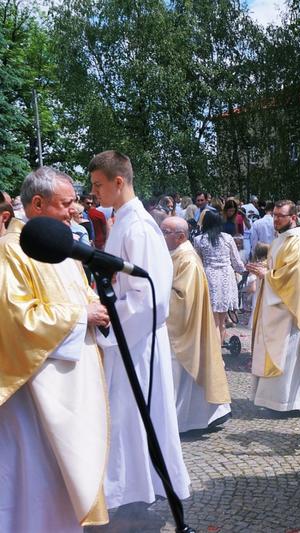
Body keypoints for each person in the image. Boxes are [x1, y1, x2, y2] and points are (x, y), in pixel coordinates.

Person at [0, 167, 110, 532]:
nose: (74, 210)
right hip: (32, 390)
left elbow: (78, 292)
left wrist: (93, 305)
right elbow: (17, 319)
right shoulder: (9, 252)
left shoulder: (58, 245)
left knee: (58, 479)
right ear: (37, 203)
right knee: (35, 477)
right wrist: (82, 315)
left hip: (67, 382)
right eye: (65, 204)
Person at [88, 149, 191, 508]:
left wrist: (106, 322)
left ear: (119, 182)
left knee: (138, 413)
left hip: (137, 340)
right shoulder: (124, 221)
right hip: (128, 337)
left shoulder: (139, 227)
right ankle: (132, 486)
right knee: (127, 415)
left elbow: (150, 297)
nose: (95, 192)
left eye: (99, 185)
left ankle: (140, 487)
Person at [247, 200, 300, 411]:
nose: (276, 219)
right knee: (286, 356)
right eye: (274, 215)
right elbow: (280, 267)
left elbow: (294, 276)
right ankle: (281, 400)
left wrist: (268, 275)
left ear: (293, 218)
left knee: (289, 356)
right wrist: (264, 268)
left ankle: (284, 402)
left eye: (280, 216)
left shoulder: (297, 242)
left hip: (290, 310)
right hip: (278, 306)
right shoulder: (282, 239)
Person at [161, 216, 232, 433]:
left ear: (180, 236)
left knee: (186, 372)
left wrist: (153, 293)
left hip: (186, 328)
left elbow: (183, 299)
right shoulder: (175, 253)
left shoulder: (188, 260)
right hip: (183, 327)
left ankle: (196, 419)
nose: (160, 235)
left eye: (165, 232)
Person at [193, 211, 246, 345]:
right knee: (221, 322)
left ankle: (213, 357)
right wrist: (245, 271)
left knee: (212, 322)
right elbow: (236, 262)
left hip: (209, 277)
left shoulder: (199, 240)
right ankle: (218, 357)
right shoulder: (228, 238)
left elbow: (197, 262)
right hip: (226, 278)